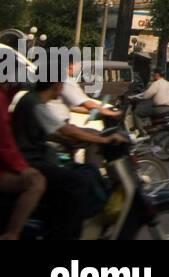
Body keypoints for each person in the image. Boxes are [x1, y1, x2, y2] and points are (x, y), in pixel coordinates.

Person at [11, 80, 128, 238]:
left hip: (37, 158)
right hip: (32, 163)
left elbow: (54, 131)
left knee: (90, 171)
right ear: (57, 85)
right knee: (78, 182)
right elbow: (66, 130)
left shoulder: (34, 100)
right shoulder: (35, 103)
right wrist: (105, 140)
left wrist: (91, 136)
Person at [0, 48, 44, 240]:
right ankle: (11, 235)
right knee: (36, 182)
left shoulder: (7, 99)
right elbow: (4, 142)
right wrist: (22, 167)